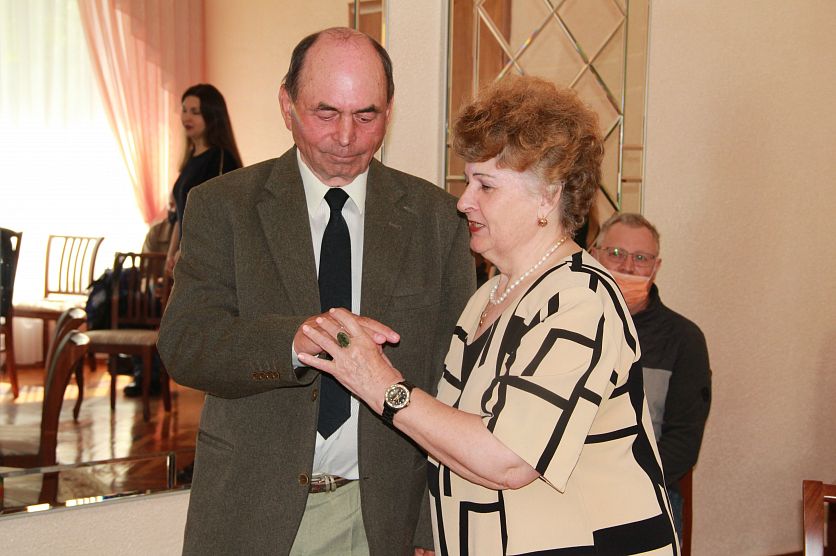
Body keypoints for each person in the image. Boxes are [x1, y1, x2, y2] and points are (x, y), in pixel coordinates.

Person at [299, 76, 680, 555]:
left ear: (548, 196)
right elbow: (453, 437)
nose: (463, 202)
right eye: (467, 182)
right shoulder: (490, 295)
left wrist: (381, 384)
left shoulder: (580, 298)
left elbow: (508, 460)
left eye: (486, 185)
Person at [157, 27, 475, 556]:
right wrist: (294, 341)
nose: (346, 137)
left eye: (366, 116)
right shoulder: (222, 206)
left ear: (389, 110)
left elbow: (455, 379)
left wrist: (428, 525)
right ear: (287, 105)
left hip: (387, 517)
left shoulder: (438, 219)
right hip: (250, 512)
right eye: (326, 113)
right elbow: (186, 344)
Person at [592, 212, 711, 542]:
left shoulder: (684, 339)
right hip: (567, 492)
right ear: (594, 255)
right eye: (616, 253)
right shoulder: (565, 325)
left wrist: (622, 484)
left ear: (656, 267)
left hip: (646, 495)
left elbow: (683, 444)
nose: (628, 267)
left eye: (641, 258)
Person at [165, 83, 242, 275]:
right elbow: (180, 216)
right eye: (184, 110)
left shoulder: (222, 158)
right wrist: (171, 253)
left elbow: (217, 218)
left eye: (195, 112)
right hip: (187, 261)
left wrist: (186, 250)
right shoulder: (189, 160)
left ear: (211, 116)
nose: (186, 117)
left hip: (208, 263)